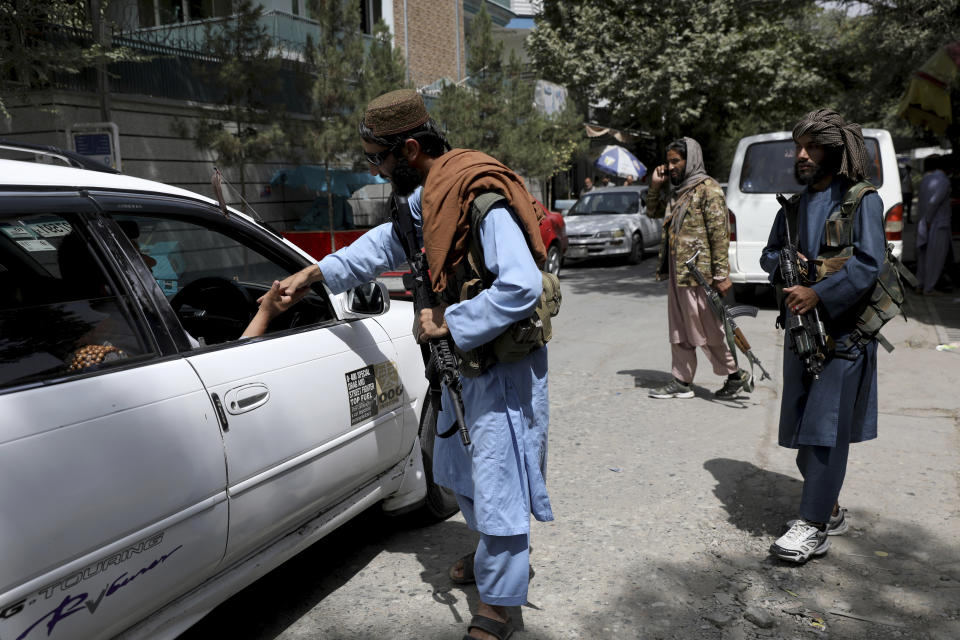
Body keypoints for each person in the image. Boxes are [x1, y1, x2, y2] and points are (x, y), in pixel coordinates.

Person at [273, 89, 552, 640]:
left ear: (407, 148)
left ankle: (500, 603)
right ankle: (495, 559)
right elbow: (383, 246)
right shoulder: (428, 202)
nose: (374, 169)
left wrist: (449, 323)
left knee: (498, 480)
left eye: (376, 159)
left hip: (499, 370)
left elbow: (522, 285)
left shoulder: (477, 200)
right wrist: (313, 275)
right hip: (459, 367)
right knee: (459, 471)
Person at [759, 109, 886, 563]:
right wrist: (785, 265)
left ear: (835, 150)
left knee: (824, 430)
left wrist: (819, 291)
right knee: (799, 424)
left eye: (812, 146)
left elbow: (870, 265)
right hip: (801, 334)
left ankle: (812, 527)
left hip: (845, 334)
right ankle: (827, 507)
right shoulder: (792, 206)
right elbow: (768, 255)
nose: (802, 155)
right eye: (799, 147)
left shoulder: (860, 200)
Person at [646, 137, 748, 399]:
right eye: (668, 161)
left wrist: (721, 274)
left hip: (699, 276)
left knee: (707, 330)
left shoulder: (708, 189)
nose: (670, 167)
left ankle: (735, 375)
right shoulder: (678, 191)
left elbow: (719, 234)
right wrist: (655, 185)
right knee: (679, 329)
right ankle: (682, 381)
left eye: (675, 161)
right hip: (678, 274)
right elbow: (652, 212)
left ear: (690, 160)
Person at [915, 155, 954, 295]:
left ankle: (920, 285)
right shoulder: (944, 181)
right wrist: (929, 221)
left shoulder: (926, 178)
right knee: (935, 258)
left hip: (924, 222)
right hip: (936, 224)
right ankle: (929, 288)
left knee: (923, 256)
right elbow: (934, 202)